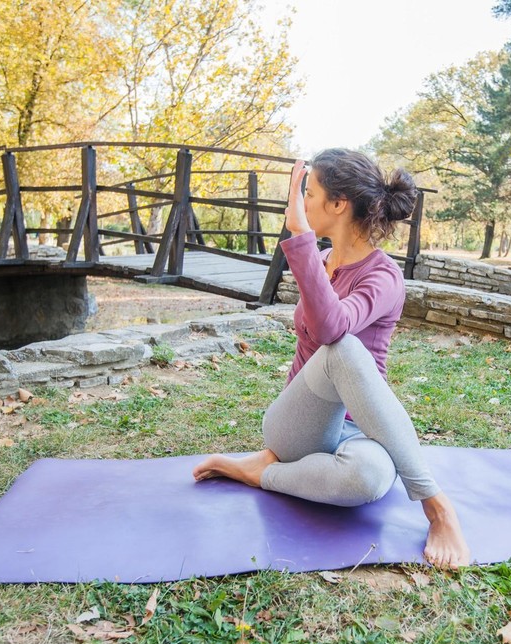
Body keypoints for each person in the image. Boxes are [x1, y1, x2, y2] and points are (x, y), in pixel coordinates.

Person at [193, 149, 470, 569]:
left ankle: (259, 473)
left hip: (360, 430)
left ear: (338, 205)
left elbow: (332, 325)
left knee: (369, 480)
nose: (303, 203)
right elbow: (327, 334)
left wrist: (301, 239)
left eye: (310, 193)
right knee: (341, 346)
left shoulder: (383, 277)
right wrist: (304, 244)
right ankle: (436, 505)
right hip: (298, 427)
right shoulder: (318, 259)